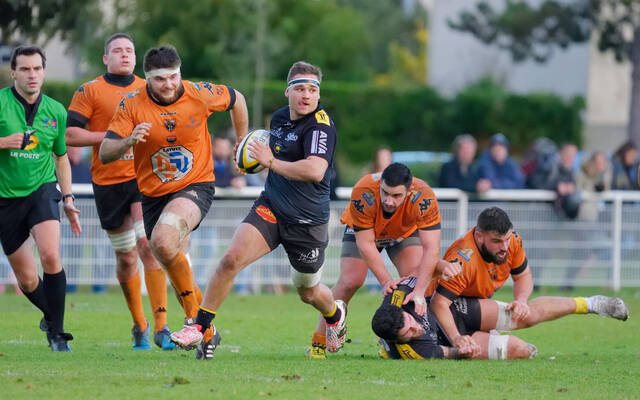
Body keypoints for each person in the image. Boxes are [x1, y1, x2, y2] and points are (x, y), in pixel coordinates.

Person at [169, 61, 345, 360]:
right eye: (300, 88)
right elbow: (263, 153)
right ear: (288, 91)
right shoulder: (278, 119)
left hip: (307, 221)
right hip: (272, 208)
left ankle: (334, 315)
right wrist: (246, 158)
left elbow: (315, 170)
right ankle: (201, 327)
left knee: (308, 291)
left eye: (313, 90)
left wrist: (270, 162)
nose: (307, 95)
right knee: (230, 260)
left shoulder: (320, 125)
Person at [99, 44, 249, 359]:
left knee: (164, 242)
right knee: (166, 252)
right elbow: (105, 152)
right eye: (159, 79)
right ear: (146, 79)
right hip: (153, 195)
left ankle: (195, 322)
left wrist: (241, 143)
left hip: (196, 185)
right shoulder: (131, 105)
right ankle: (207, 332)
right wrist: (128, 140)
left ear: (180, 72)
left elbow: (238, 100)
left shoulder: (199, 93)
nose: (168, 84)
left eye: (173, 77)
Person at [66, 33, 175, 350]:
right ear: (105, 58)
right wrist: (114, 137)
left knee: (148, 245)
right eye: (117, 50)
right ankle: (139, 326)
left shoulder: (148, 86)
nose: (124, 55)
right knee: (127, 258)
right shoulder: (89, 90)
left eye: (129, 50)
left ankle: (162, 327)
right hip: (108, 181)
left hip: (143, 178)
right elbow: (71, 134)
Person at [425, 206, 629, 356]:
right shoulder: (464, 258)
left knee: (524, 320)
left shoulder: (512, 241)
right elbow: (439, 303)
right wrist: (456, 338)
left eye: (506, 239)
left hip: (473, 308)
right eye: (496, 241)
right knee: (519, 350)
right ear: (479, 237)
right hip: (448, 312)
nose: (504, 246)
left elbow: (523, 276)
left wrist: (521, 299)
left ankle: (592, 303)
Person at [307, 162, 446, 359]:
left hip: (403, 234)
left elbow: (432, 248)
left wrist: (420, 291)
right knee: (350, 281)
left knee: (413, 281)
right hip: (367, 231)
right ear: (380, 184)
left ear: (409, 191)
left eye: (396, 196)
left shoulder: (423, 195)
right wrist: (385, 281)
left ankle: (391, 345)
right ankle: (318, 341)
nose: (389, 201)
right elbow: (366, 243)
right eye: (385, 193)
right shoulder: (364, 191)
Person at [0, 46, 82, 352]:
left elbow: (61, 158)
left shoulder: (56, 111)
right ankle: (50, 317)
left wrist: (69, 197)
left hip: (43, 190)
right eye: (25, 69)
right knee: (27, 278)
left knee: (50, 256)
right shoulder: (0, 104)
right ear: (14, 73)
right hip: (5, 198)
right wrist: (4, 142)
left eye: (37, 69)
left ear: (44, 72)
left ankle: (57, 334)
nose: (32, 75)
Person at [372, 277, 535, 360]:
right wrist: (464, 352)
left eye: (410, 320)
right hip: (454, 339)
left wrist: (421, 288)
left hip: (454, 310)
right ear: (398, 341)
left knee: (526, 316)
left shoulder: (397, 295)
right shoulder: (415, 352)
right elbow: (450, 353)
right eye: (409, 332)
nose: (417, 327)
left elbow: (428, 270)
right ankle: (489, 333)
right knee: (521, 350)